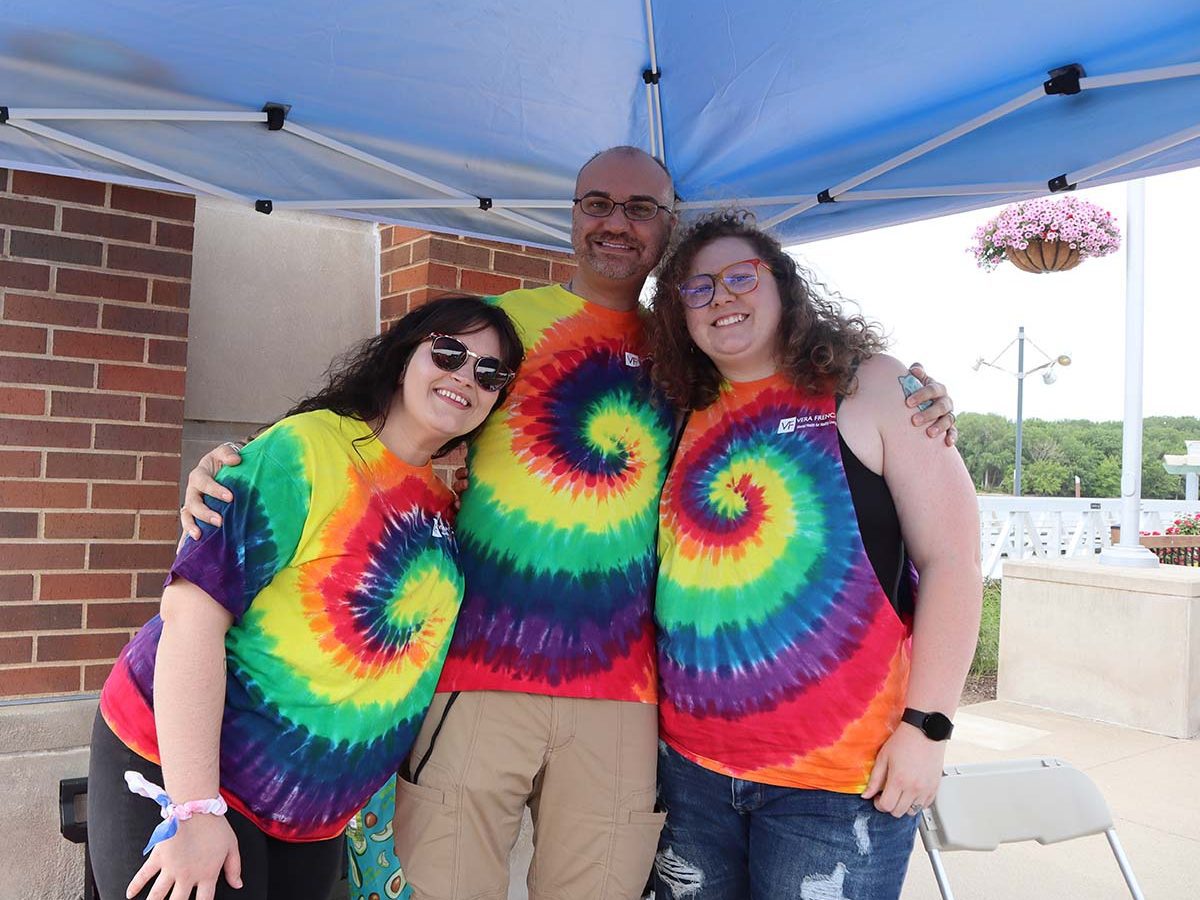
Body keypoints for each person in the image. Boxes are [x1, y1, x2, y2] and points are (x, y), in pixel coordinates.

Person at [179, 147, 959, 900]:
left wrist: (913, 396)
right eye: (598, 203)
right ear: (573, 215)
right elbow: (385, 425)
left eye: (642, 208)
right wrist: (239, 459)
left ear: (668, 226)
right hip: (479, 679)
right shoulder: (503, 334)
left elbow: (829, 434)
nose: (617, 223)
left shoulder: (686, 359)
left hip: (628, 699)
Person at [89, 295, 522, 900]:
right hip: (189, 774)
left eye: (489, 372)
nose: (465, 377)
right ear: (403, 358)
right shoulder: (305, 450)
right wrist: (192, 808)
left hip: (313, 821)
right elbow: (191, 615)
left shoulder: (443, 509)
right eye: (448, 352)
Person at [646, 211, 982, 900]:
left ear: (784, 287)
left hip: (840, 785)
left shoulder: (875, 389)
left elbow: (955, 562)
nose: (721, 297)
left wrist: (929, 730)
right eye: (698, 288)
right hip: (690, 772)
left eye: (742, 276)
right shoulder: (678, 411)